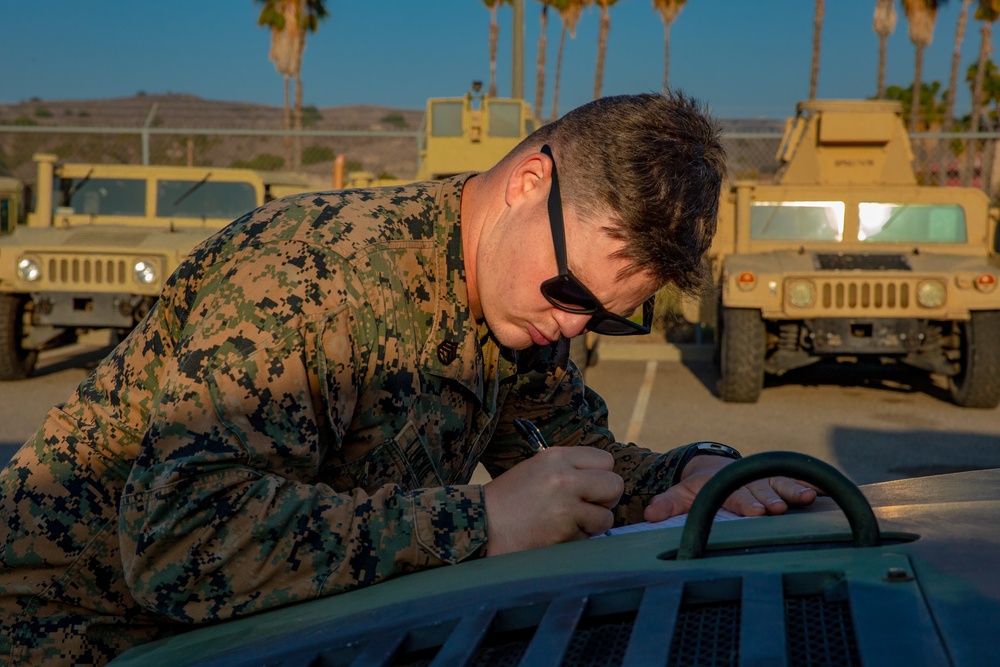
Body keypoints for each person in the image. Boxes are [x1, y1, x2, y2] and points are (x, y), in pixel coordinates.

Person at [0, 91, 817, 666]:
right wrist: (482, 521)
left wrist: (699, 474)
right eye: (571, 293)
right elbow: (177, 537)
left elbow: (579, 462)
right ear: (530, 183)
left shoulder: (515, 309)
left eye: (601, 317)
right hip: (79, 634)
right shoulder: (317, 277)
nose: (571, 326)